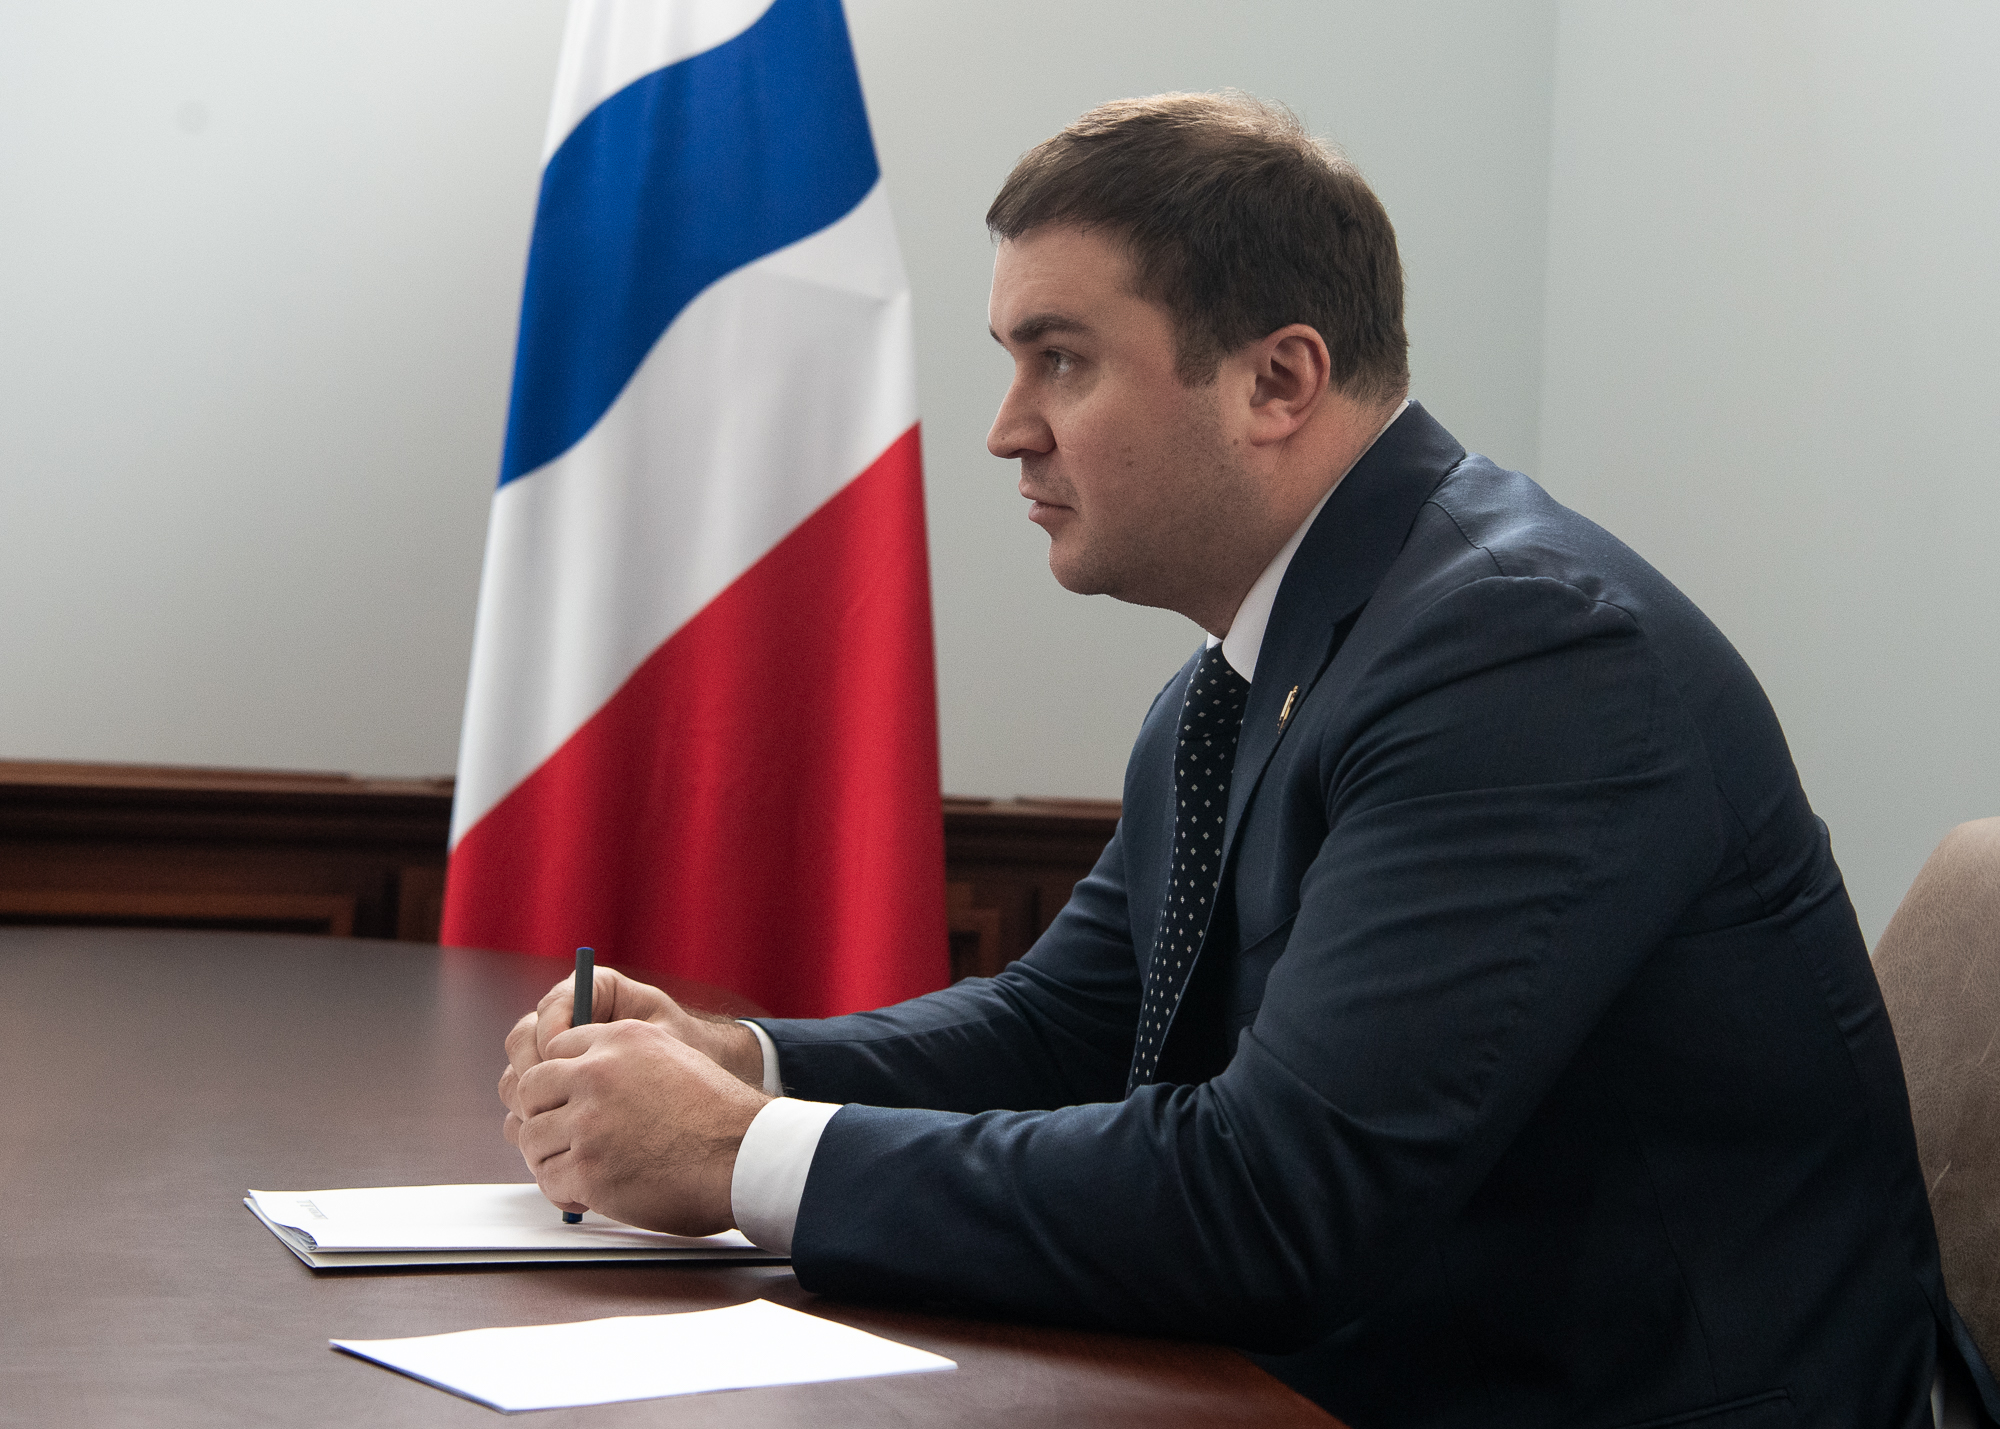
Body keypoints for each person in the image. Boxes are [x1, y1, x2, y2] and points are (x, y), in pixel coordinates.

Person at [498, 93, 1979, 1428]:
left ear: (1278, 381)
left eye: (1061, 360)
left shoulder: (1526, 655)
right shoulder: (1254, 671)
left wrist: (746, 1154)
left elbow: (1277, 1204)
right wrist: (745, 1060)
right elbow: (1065, 1027)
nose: (1008, 431)